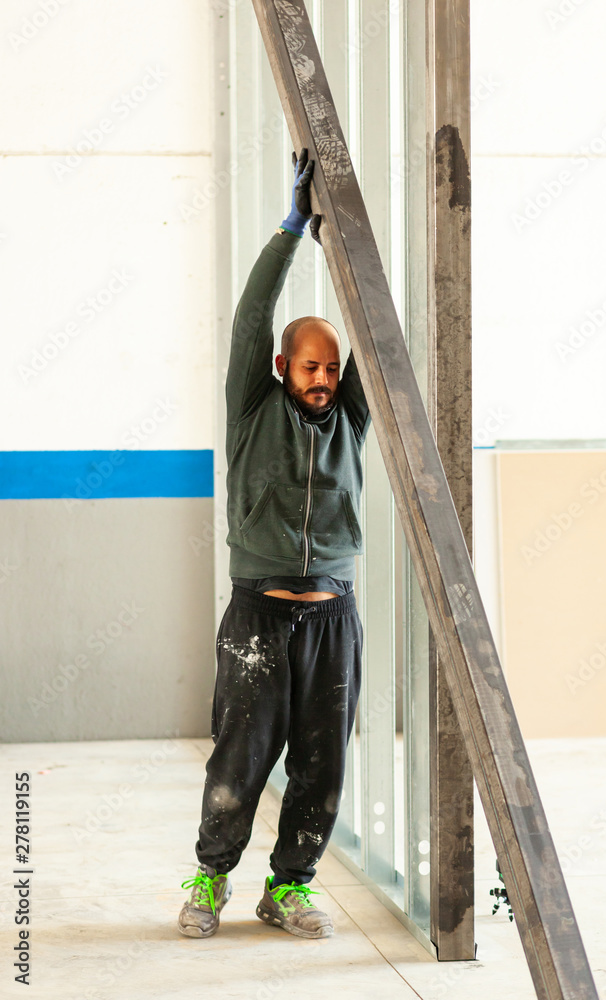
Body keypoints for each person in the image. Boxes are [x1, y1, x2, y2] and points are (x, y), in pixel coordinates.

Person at [178, 147, 371, 940]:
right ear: (283, 367)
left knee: (321, 768)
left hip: (332, 619)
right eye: (309, 365)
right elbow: (252, 317)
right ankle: (208, 878)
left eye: (330, 366)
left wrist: (346, 245)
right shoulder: (252, 407)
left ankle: (288, 888)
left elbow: (373, 334)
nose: (323, 376)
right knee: (240, 761)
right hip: (258, 613)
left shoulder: (353, 421)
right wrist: (292, 234)